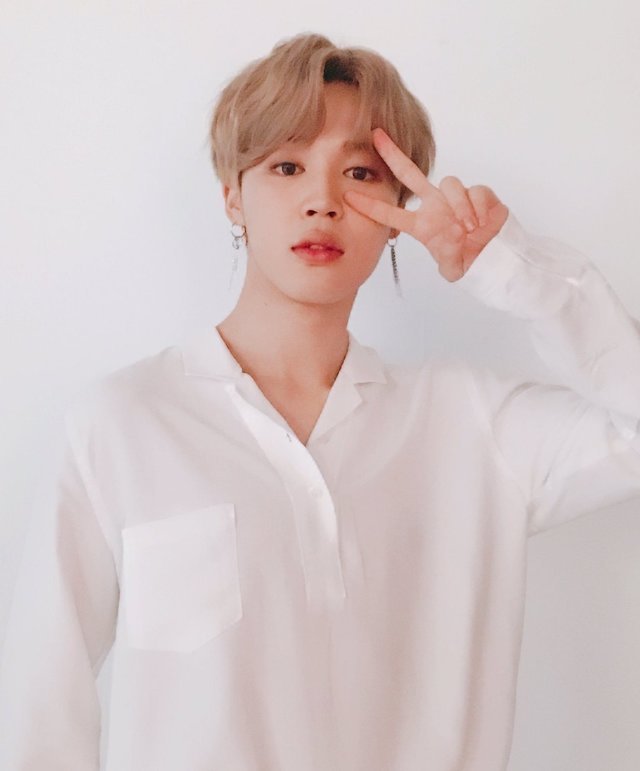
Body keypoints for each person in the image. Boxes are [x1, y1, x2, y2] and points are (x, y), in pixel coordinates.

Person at [1, 31, 639, 771]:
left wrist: (508, 267)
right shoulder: (121, 423)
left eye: (361, 173)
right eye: (287, 166)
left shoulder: (471, 425)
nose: (324, 201)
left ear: (399, 205)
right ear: (233, 195)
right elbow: (40, 715)